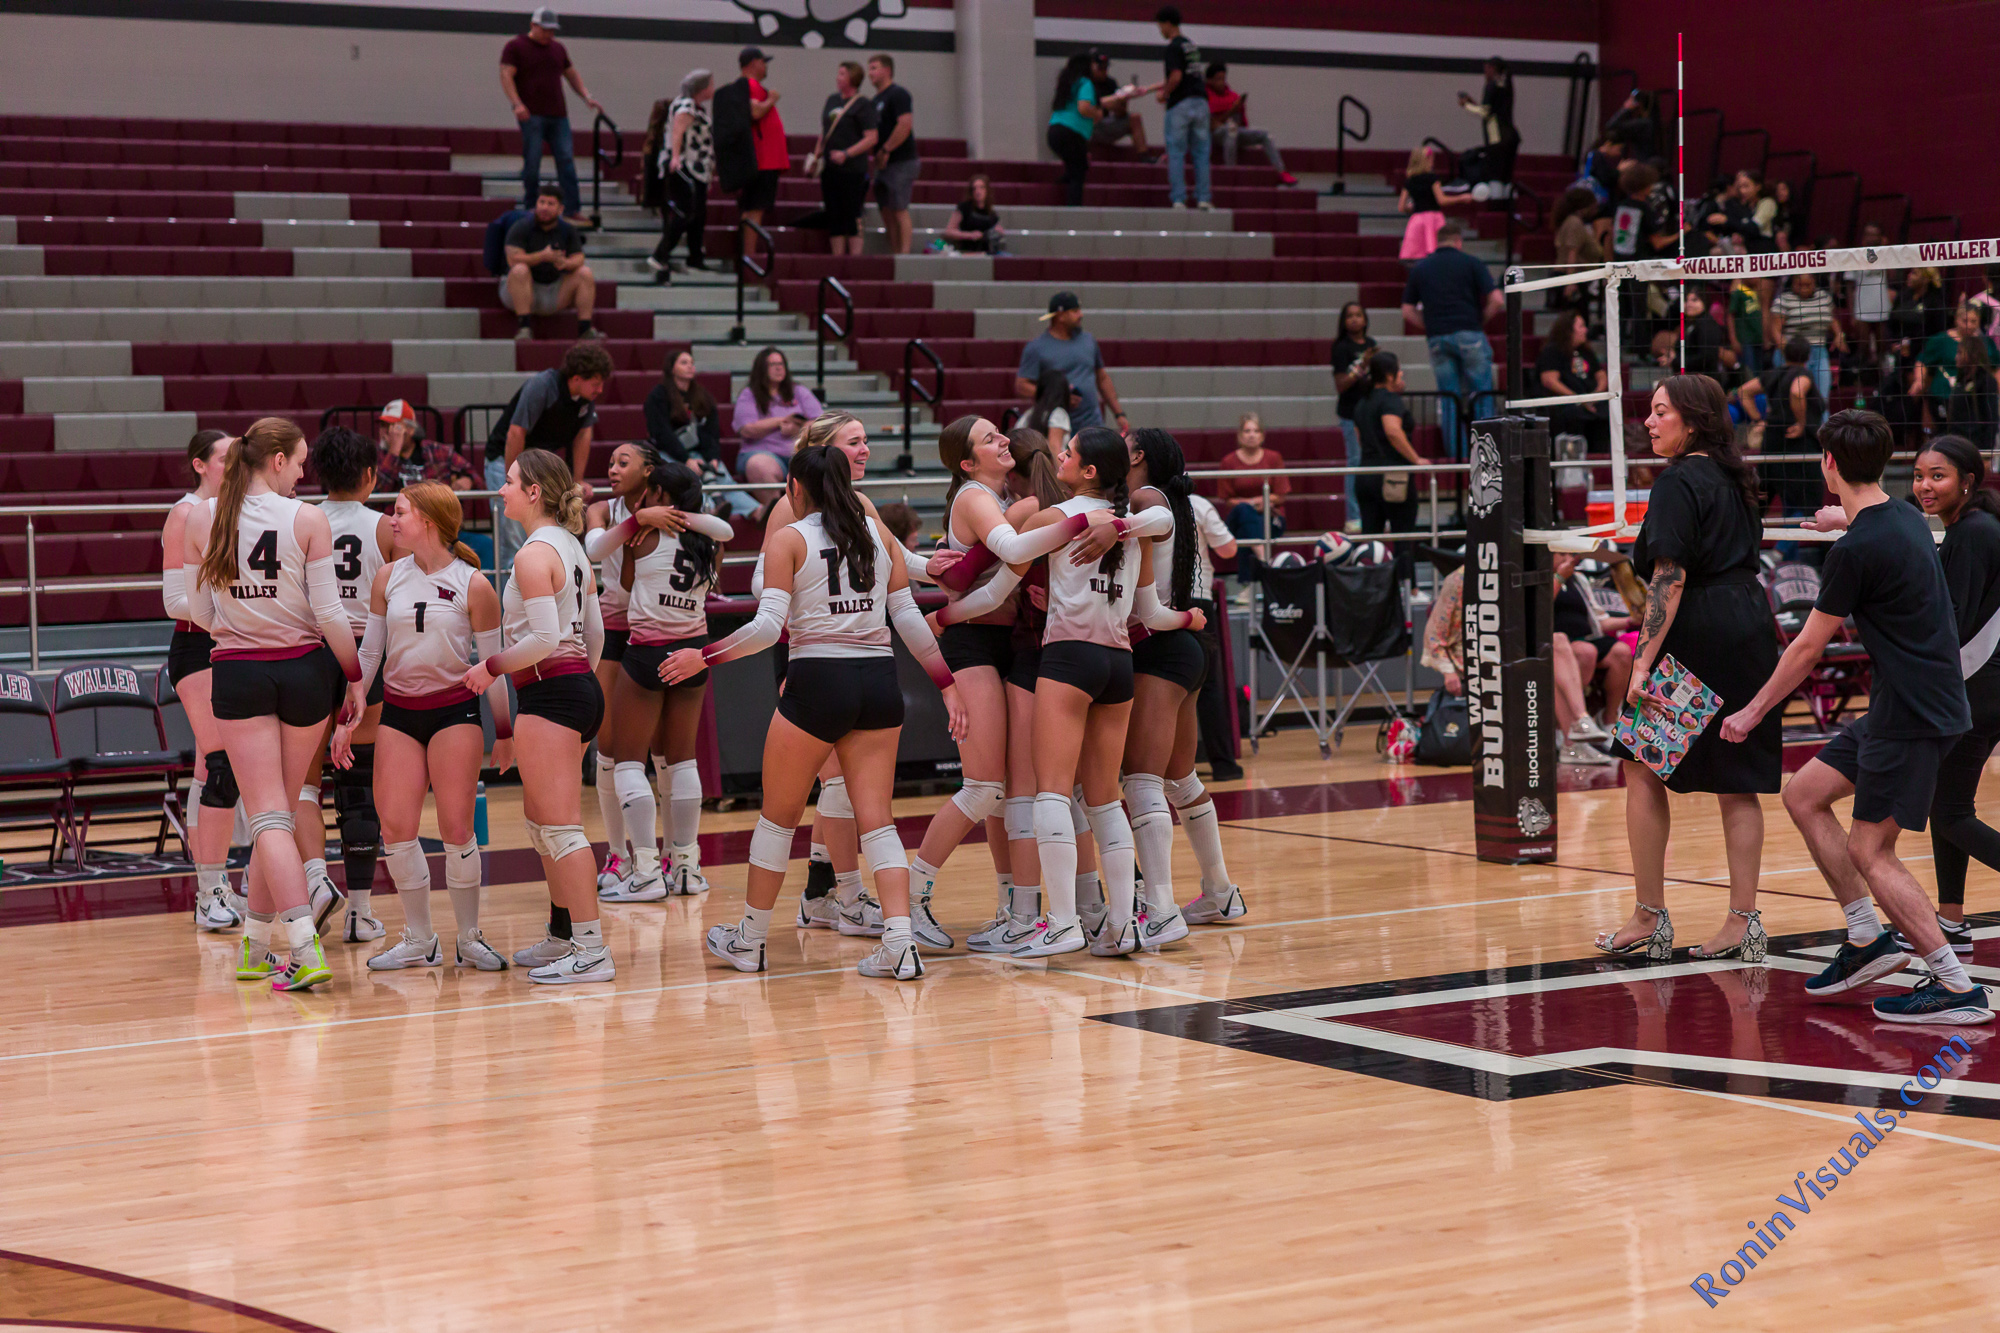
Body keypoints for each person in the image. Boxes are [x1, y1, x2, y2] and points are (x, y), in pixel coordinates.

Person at [1722, 410, 1989, 1025]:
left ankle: (1955, 987)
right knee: (1805, 794)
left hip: (1915, 713)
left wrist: (1753, 711)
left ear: (1829, 465)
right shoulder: (1901, 517)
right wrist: (1842, 519)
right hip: (1913, 700)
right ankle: (1868, 938)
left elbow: (1808, 648)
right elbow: (1871, 525)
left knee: (1873, 851)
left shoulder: (1856, 551)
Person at [669, 445, 966, 980]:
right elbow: (910, 618)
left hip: (816, 680)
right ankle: (900, 944)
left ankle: (750, 939)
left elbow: (764, 630)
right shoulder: (880, 537)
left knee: (777, 818)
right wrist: (947, 684)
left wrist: (703, 655)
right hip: (878, 681)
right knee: (878, 820)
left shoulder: (789, 538)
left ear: (793, 488)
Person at [1596, 376, 1780, 962]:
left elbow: (1668, 581)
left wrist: (1641, 664)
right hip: (1750, 620)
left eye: (1659, 413)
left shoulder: (1678, 480)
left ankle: (1649, 915)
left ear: (1692, 421)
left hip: (1697, 629)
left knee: (1642, 767)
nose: (1648, 423)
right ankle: (1744, 922)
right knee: (1737, 779)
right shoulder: (1737, 476)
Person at [184, 418, 363, 992]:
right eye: (301, 461)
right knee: (278, 814)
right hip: (307, 670)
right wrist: (355, 677)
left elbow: (199, 612)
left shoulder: (204, 516)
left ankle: (303, 948)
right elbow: (331, 613)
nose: (306, 472)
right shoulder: (307, 518)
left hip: (239, 671)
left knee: (268, 818)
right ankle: (257, 947)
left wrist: (242, 621)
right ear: (279, 460)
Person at [1010, 426, 1190, 957]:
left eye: (1068, 453)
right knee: (1105, 799)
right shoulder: (1133, 530)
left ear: (1088, 471)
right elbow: (1151, 614)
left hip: (1067, 658)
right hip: (1118, 662)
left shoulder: (1056, 518)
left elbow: (1004, 560)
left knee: (1052, 791)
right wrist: (1188, 617)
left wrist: (944, 608)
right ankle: (1123, 924)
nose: (1058, 456)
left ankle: (1062, 921)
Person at [333, 482, 511, 972]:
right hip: (398, 712)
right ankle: (420, 938)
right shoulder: (387, 576)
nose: (391, 521)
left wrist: (505, 730)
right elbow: (370, 652)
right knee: (396, 827)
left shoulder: (474, 584)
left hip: (455, 710)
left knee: (456, 829)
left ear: (429, 522)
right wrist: (352, 710)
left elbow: (493, 662)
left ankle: (470, 937)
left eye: (400, 513)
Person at [463, 448, 610, 984]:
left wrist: (491, 668)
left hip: (553, 694)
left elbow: (546, 638)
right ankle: (564, 933)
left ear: (534, 492)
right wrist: (578, 679)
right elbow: (592, 634)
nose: (499, 490)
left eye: (509, 482)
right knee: (542, 824)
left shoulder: (532, 555)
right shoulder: (570, 547)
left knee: (562, 828)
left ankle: (592, 950)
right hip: (573, 689)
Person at [591, 452, 734, 902]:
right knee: (683, 760)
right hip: (692, 653)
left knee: (630, 762)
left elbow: (629, 584)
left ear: (660, 495)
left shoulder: (644, 535)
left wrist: (646, 522)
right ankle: (686, 865)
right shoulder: (712, 544)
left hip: (646, 652)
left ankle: (646, 870)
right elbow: (724, 532)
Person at [1113, 429, 1240, 931]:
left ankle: (1161, 908)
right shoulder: (1184, 501)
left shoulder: (1145, 498)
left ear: (1138, 457)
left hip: (1162, 639)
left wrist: (1111, 525)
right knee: (1180, 779)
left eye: (1125, 441)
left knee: (1142, 780)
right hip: (1191, 641)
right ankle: (1220, 890)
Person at [1904, 436, 2000, 954]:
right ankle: (1952, 919)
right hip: (1983, 685)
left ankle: (1951, 920)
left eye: (1937, 476)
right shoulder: (1972, 529)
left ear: (1967, 480)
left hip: (1978, 686)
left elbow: (1954, 627)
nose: (1924, 485)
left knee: (1948, 812)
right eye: (1918, 475)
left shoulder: (1972, 535)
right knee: (1949, 805)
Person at [309, 427, 395, 943]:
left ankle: (312, 898)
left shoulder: (303, 518)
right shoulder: (386, 527)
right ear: (369, 474)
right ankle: (360, 914)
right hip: (367, 654)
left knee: (303, 787)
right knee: (359, 784)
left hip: (312, 652)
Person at [163, 429, 241, 933]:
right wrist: (233, 615)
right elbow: (174, 602)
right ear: (199, 465)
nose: (234, 465)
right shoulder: (185, 513)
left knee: (206, 766)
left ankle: (210, 882)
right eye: (225, 458)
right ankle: (210, 889)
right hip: (197, 645)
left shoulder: (237, 511)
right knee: (220, 764)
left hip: (231, 644)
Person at [486, 340, 610, 571]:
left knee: (546, 527)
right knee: (513, 535)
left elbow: (583, 435)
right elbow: (515, 433)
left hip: (538, 466)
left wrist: (579, 478)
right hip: (506, 458)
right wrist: (513, 480)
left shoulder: (585, 400)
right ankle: (510, 602)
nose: (600, 390)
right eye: (595, 383)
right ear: (575, 379)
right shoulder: (542, 386)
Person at [582, 443, 643, 896]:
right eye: (611, 462)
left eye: (625, 462)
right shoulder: (604, 508)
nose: (613, 468)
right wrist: (640, 520)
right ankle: (618, 854)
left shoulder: (671, 510)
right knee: (607, 745)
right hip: (613, 629)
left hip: (656, 630)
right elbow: (595, 546)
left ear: (648, 469)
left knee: (656, 750)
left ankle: (665, 857)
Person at [1401, 220, 1500, 460]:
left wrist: (1431, 325)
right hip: (1469, 332)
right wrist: (1479, 321)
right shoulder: (1471, 263)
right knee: (1481, 395)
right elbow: (1497, 299)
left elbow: (1407, 309)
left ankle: (1457, 459)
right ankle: (1485, 456)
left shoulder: (1421, 269)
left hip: (1438, 337)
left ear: (1437, 242)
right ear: (1458, 241)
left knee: (1449, 398)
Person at [499, 7, 602, 225]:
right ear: (533, 26)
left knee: (566, 159)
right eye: (545, 30)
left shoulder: (558, 48)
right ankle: (531, 206)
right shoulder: (515, 46)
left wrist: (586, 96)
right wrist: (517, 104)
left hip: (557, 114)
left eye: (552, 31)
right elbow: (506, 75)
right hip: (531, 114)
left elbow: (570, 73)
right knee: (533, 160)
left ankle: (571, 208)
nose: (549, 35)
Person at [644, 349, 754, 516]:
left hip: (700, 454)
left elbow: (712, 433)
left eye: (692, 363)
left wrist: (714, 458)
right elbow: (662, 434)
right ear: (672, 368)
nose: (690, 366)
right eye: (684, 363)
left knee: (722, 475)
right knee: (691, 477)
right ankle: (712, 507)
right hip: (670, 453)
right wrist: (686, 459)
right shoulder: (657, 396)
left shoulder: (703, 396)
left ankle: (756, 511)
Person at [1737, 338, 1826, 529]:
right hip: (1799, 443)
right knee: (1810, 501)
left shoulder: (1772, 374)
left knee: (1768, 497)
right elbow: (1796, 392)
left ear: (1784, 355)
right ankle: (1783, 551)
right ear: (1808, 356)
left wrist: (1758, 419)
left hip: (1772, 441)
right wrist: (1801, 422)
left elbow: (1743, 391)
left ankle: (1773, 548)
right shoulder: (1803, 374)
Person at [1352, 352, 1423, 582]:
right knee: (1403, 535)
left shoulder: (1362, 402)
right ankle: (1408, 588)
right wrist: (1416, 459)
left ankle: (1370, 586)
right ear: (1390, 375)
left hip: (1365, 475)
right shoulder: (1390, 400)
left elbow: (1359, 437)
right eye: (1399, 370)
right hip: (1393, 477)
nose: (1402, 374)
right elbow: (1393, 430)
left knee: (1370, 538)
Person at [1551, 548, 1634, 743]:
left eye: (1569, 554)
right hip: (1558, 641)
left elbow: (1600, 620)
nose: (1568, 558)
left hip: (1587, 636)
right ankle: (1569, 721)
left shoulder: (1578, 579)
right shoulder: (1543, 579)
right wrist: (1558, 578)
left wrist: (1631, 620)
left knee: (1621, 652)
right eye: (1561, 554)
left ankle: (1609, 718)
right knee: (1586, 652)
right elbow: (1539, 609)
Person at [1015, 291, 1125, 433]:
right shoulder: (1036, 348)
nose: (1081, 315)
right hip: (1059, 426)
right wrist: (1058, 395)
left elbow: (1102, 378)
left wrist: (1119, 413)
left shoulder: (1088, 340)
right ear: (1060, 316)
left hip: (1093, 423)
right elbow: (1022, 386)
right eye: (1075, 311)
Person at [503, 185, 597, 341]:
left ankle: (585, 330)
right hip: (520, 290)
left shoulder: (568, 230)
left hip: (553, 291)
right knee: (520, 269)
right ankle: (524, 328)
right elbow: (512, 259)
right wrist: (542, 256)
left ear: (560, 209)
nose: (544, 208)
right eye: (542, 202)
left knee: (585, 273)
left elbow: (579, 258)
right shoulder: (521, 226)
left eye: (550, 204)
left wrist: (565, 263)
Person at [732, 347, 825, 503]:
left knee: (830, 455)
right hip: (762, 452)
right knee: (759, 465)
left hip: (798, 452)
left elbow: (820, 421)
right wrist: (779, 421)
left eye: (781, 364)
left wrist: (798, 428)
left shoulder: (799, 391)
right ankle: (777, 514)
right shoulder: (749, 394)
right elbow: (747, 429)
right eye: (772, 364)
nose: (778, 368)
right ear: (762, 369)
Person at [648, 69, 715, 282]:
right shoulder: (685, 106)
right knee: (687, 213)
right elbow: (677, 132)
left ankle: (695, 257)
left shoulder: (696, 107)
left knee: (699, 214)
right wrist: (675, 157)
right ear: (702, 88)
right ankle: (660, 254)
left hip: (699, 168)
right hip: (685, 167)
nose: (714, 88)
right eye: (711, 84)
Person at [722, 47, 786, 237]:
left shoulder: (744, 87)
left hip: (760, 160)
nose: (766, 66)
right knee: (754, 211)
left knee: (751, 210)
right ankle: (749, 259)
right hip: (762, 160)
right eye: (763, 62)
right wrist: (771, 100)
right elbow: (754, 112)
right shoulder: (749, 86)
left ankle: (747, 257)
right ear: (753, 64)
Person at [1916, 300, 2000, 446]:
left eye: (1974, 321)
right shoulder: (1940, 340)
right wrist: (1919, 382)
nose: (1969, 325)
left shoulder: (1984, 344)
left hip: (1973, 402)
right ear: (1956, 319)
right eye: (1965, 320)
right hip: (1942, 398)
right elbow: (1922, 362)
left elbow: (1996, 366)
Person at [817, 61, 878, 257]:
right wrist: (816, 154)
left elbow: (871, 137)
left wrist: (847, 153)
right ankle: (837, 257)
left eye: (842, 74)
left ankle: (854, 259)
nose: (838, 77)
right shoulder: (832, 100)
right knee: (833, 213)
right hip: (830, 168)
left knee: (852, 213)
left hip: (853, 170)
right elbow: (825, 131)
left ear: (852, 78)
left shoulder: (863, 105)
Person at [1154, 7, 1211, 211]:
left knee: (1176, 152)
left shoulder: (1172, 48)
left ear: (1168, 24)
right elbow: (1188, 75)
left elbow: (1176, 76)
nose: (1160, 30)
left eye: (1160, 25)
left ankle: (1179, 199)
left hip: (1180, 104)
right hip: (1201, 102)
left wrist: (1164, 94)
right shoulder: (1191, 46)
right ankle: (1203, 198)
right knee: (1202, 153)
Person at [1203, 62, 1294, 184]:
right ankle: (1230, 173)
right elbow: (1210, 126)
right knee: (1231, 129)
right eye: (1218, 79)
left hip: (1233, 133)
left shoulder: (1233, 96)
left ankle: (1281, 171)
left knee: (1265, 135)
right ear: (1209, 81)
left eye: (1223, 79)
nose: (1221, 82)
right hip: (1215, 136)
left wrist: (1237, 113)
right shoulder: (1204, 97)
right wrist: (1232, 111)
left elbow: (1243, 124)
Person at [1329, 303, 1377, 526]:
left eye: (1359, 315)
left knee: (1374, 462)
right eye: (1350, 316)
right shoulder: (1341, 347)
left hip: (1371, 412)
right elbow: (1341, 384)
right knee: (1355, 461)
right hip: (1350, 413)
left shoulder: (1371, 344)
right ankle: (1354, 516)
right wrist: (1362, 365)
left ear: (1365, 319)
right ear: (1343, 321)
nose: (1355, 319)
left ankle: (1375, 513)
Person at [1535, 310, 1609, 454]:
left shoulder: (1586, 351)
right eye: (1581, 326)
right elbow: (1549, 381)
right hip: (1567, 404)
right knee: (1574, 415)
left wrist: (1595, 396)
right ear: (1569, 330)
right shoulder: (1553, 351)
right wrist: (1578, 399)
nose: (1585, 330)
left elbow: (1601, 375)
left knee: (1606, 413)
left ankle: (1600, 461)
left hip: (1589, 401)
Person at [867, 54, 918, 256]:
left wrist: (887, 149)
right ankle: (895, 251)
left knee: (899, 208)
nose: (870, 72)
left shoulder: (898, 94)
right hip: (882, 163)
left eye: (874, 68)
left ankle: (904, 254)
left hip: (901, 161)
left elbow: (905, 124)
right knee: (886, 210)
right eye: (869, 68)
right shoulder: (875, 100)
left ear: (887, 70)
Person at [1767, 271, 1844, 402]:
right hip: (1792, 354)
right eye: (1799, 285)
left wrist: (1839, 335)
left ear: (1814, 283)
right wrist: (1790, 355)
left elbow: (1832, 319)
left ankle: (1823, 423)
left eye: (1808, 285)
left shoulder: (1824, 298)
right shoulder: (1784, 300)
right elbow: (1775, 330)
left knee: (1821, 399)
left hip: (1819, 351)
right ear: (1792, 283)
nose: (1803, 288)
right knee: (1793, 398)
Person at [1212, 411, 1288, 542]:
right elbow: (1228, 500)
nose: (1251, 435)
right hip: (1238, 517)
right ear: (1240, 436)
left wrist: (1254, 503)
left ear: (1262, 436)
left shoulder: (1274, 458)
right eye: (1247, 431)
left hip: (1270, 516)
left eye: (1256, 431)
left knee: (1246, 530)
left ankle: (1259, 557)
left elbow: (1280, 496)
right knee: (1244, 512)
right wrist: (1254, 503)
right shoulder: (1228, 461)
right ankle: (1263, 557)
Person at [376, 399, 474, 493]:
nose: (385, 431)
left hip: (432, 508)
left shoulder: (437, 451)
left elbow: (474, 475)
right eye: (382, 426)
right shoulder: (375, 455)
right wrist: (394, 452)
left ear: (410, 429)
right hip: (394, 509)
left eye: (392, 426)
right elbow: (376, 493)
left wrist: (468, 480)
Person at [1397, 145, 1469, 263]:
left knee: (1417, 257)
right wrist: (1461, 197)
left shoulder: (1410, 181)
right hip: (1433, 219)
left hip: (1417, 220)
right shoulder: (1432, 178)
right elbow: (1441, 200)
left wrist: (1412, 207)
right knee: (1438, 255)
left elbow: (1401, 207)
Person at [1047, 53, 1100, 209]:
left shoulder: (1066, 83)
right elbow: (1083, 108)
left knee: (1072, 166)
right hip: (1071, 132)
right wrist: (1096, 113)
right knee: (1079, 171)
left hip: (1054, 130)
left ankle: (1064, 183)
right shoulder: (1085, 83)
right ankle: (1073, 210)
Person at [1456, 56, 1518, 186]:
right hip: (1510, 136)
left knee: (1494, 175)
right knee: (1506, 177)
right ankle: (1506, 202)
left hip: (1496, 138)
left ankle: (1495, 204)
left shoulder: (1491, 85)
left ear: (1492, 68)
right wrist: (1473, 103)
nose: (1484, 73)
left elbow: (1485, 112)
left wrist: (1466, 106)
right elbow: (1495, 110)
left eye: (1486, 70)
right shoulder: (1506, 84)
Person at [1088, 50, 1156, 160]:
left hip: (1107, 124)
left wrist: (1120, 101)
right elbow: (1087, 109)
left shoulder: (1110, 83)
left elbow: (1121, 111)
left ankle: (1144, 157)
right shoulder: (1086, 83)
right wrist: (1106, 103)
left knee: (1134, 118)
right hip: (1090, 126)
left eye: (1106, 68)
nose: (1104, 72)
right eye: (1101, 69)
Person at [942, 173, 1006, 255]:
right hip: (965, 250)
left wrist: (998, 232)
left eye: (981, 188)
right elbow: (949, 231)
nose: (978, 191)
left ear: (987, 190)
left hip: (984, 252)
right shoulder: (964, 208)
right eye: (974, 188)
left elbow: (996, 232)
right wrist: (969, 235)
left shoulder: (992, 214)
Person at [1023, 366, 1072, 451]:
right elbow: (1054, 448)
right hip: (1045, 463)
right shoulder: (1059, 414)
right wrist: (1060, 465)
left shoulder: (1029, 414)